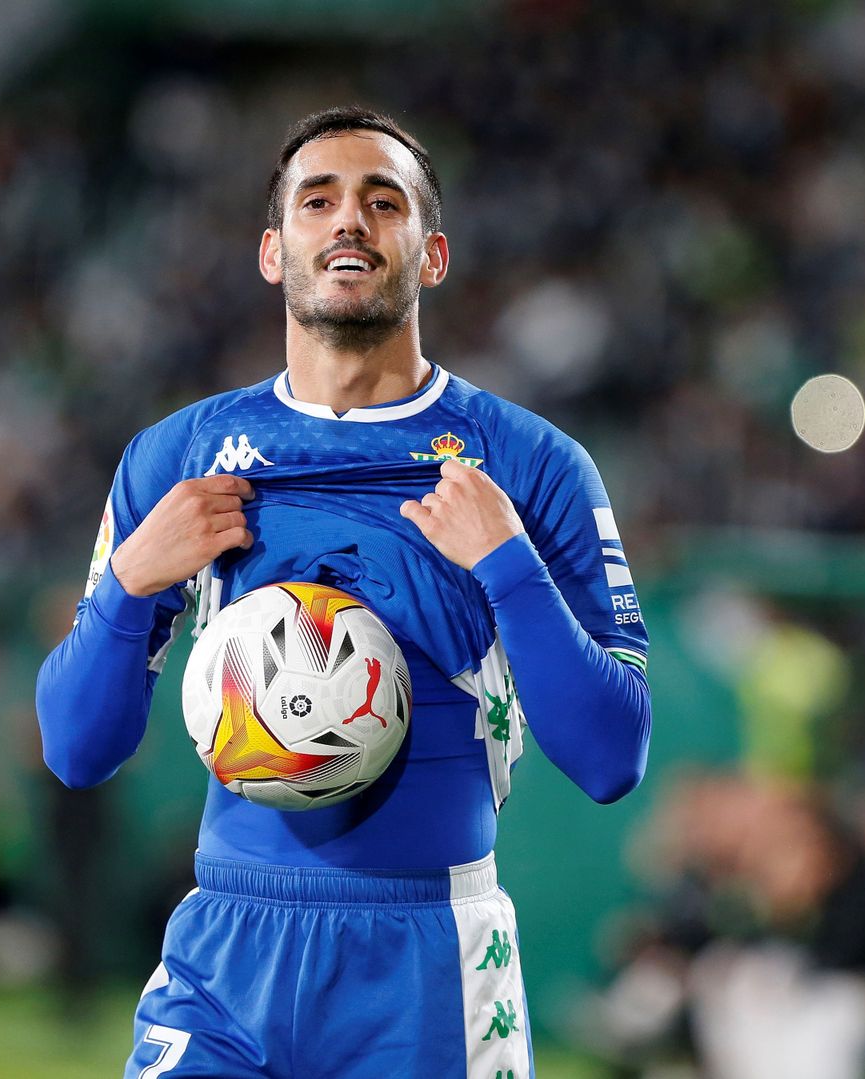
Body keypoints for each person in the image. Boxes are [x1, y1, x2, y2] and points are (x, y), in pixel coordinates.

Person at [36, 106, 653, 1079]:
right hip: (227, 951)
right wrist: (123, 587)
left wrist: (508, 567)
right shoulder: (177, 458)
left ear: (432, 253)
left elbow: (612, 754)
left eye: (383, 200)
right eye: (318, 200)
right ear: (274, 253)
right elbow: (75, 748)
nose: (349, 221)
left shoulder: (531, 465)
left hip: (429, 965)